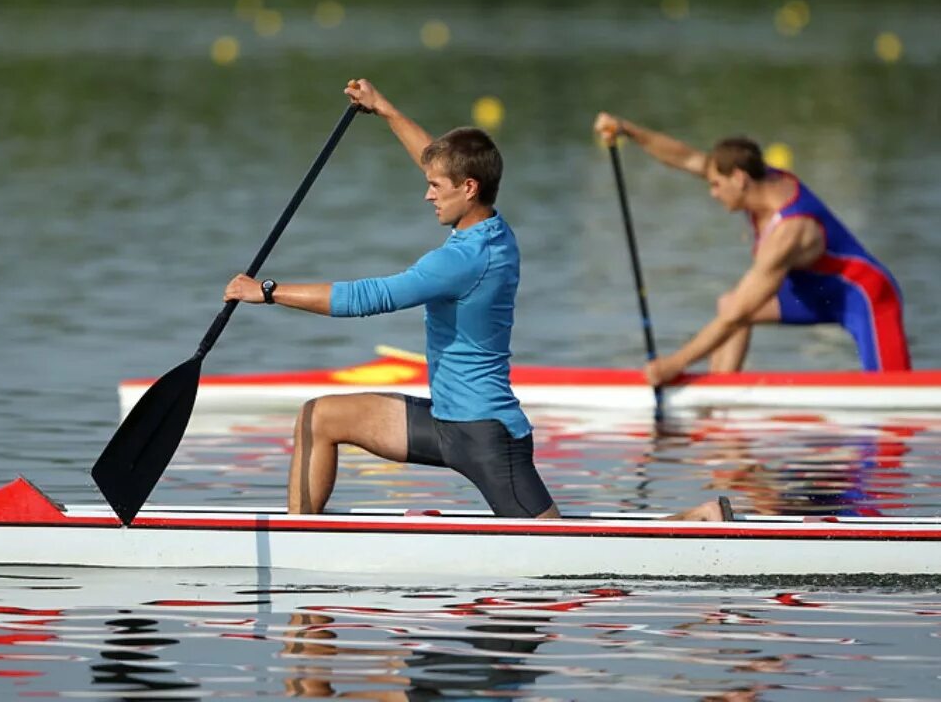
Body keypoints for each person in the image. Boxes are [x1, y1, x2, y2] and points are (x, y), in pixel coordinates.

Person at [225, 78, 560, 519]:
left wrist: (268, 292)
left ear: (469, 188)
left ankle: (683, 528)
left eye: (437, 187)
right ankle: (299, 536)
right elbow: (435, 159)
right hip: (447, 422)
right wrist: (384, 108)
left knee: (563, 548)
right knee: (319, 417)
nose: (427, 194)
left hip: (484, 436)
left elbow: (371, 296)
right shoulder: (495, 228)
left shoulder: (463, 260)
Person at [593, 113, 911, 385]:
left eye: (716, 185)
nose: (712, 193)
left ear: (740, 179)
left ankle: (712, 392)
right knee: (729, 302)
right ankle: (719, 399)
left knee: (896, 399)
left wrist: (672, 365)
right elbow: (686, 157)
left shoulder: (789, 233)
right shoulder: (756, 181)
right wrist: (627, 129)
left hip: (866, 298)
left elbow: (738, 314)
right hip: (814, 292)